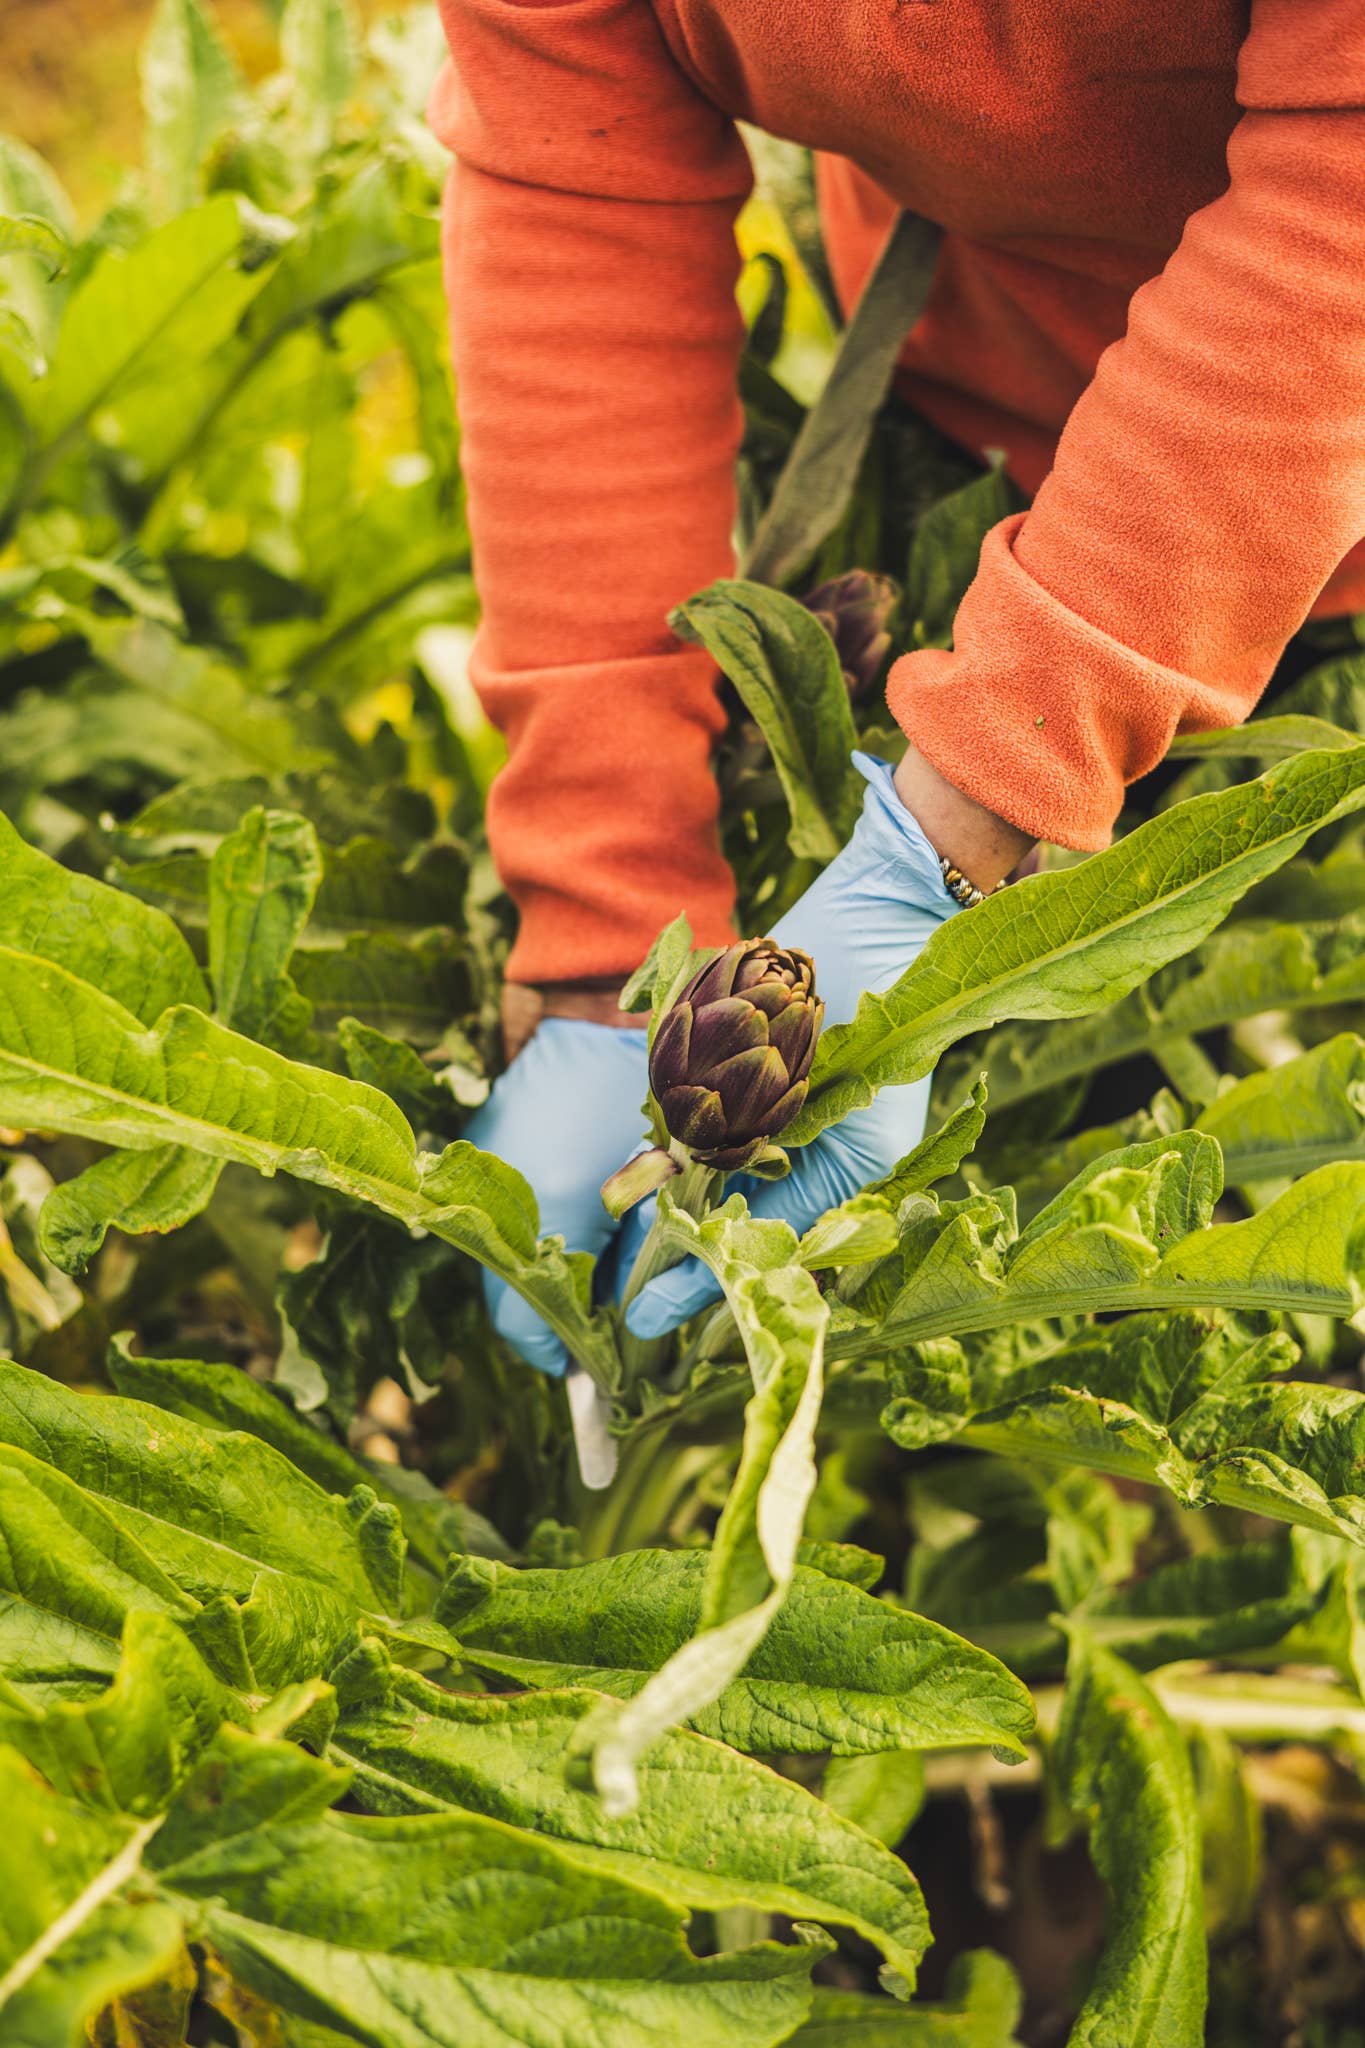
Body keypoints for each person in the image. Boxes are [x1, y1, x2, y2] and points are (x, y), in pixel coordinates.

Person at [428, 0, 1365, 1374]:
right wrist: (599, 911)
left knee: (1245, 1254)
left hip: (1311, 474)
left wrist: (960, 828)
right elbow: (578, 181)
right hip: (968, 397)